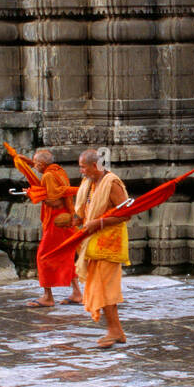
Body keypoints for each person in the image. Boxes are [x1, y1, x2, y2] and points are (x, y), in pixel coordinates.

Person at [73, 149, 130, 348]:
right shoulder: (89, 184)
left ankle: (115, 331)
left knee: (106, 287)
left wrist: (99, 223)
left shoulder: (112, 183)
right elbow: (85, 211)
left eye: (83, 166)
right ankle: (115, 331)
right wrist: (75, 220)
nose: (81, 171)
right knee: (100, 286)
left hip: (110, 244)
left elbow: (126, 213)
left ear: (95, 166)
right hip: (93, 242)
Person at [25, 148, 81, 309]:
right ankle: (77, 293)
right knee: (66, 254)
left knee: (44, 256)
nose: (34, 166)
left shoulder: (49, 175)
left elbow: (55, 201)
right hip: (65, 219)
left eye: (35, 164)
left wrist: (34, 195)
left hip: (57, 221)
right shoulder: (59, 170)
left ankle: (47, 296)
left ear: (42, 164)